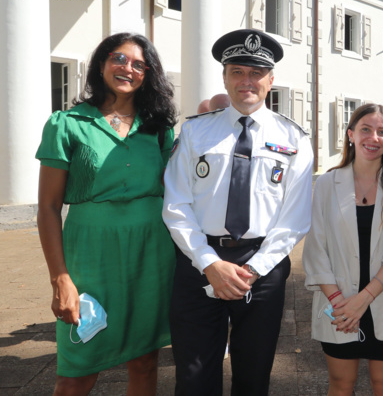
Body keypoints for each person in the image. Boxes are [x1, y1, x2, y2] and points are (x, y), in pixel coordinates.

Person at [162, 29, 313, 395]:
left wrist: (253, 269)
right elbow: (176, 204)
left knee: (253, 375)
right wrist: (209, 263)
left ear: (270, 80)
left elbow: (295, 218)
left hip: (262, 265)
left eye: (256, 73)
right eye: (238, 72)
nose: (247, 81)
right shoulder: (197, 132)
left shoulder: (294, 139)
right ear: (225, 77)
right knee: (194, 376)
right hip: (199, 260)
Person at [36, 32, 178, 394]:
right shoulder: (66, 124)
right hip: (91, 257)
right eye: (118, 58)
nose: (126, 68)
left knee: (145, 361)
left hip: (151, 254)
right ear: (101, 64)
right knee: (76, 370)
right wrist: (60, 279)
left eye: (138, 64)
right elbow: (49, 208)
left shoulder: (158, 130)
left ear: (148, 75)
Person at [303, 103, 383, 396]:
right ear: (351, 134)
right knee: (341, 385)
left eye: (382, 131)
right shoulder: (327, 183)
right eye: (366, 129)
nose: (374, 137)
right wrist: (342, 303)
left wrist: (363, 299)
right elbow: (316, 247)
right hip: (338, 305)